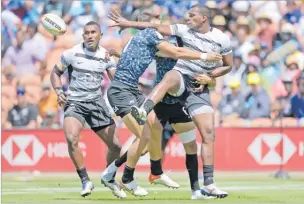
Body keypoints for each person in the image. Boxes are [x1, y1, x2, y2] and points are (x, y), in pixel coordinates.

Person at [108, 4, 233, 198]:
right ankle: (129, 172)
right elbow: (167, 48)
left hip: (181, 98)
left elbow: (220, 66)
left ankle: (195, 189)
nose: (185, 19)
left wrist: (211, 77)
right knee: (146, 140)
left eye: (191, 15)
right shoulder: (162, 40)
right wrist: (127, 29)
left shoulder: (181, 38)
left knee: (189, 144)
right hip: (161, 97)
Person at [50, 21, 125, 198]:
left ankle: (109, 175)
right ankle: (85, 180)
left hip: (97, 103)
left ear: (100, 36)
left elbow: (116, 82)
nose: (89, 35)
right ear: (82, 35)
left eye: (93, 32)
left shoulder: (106, 56)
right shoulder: (71, 53)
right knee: (71, 138)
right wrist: (59, 91)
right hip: (75, 102)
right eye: (86, 32)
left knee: (115, 146)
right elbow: (55, 73)